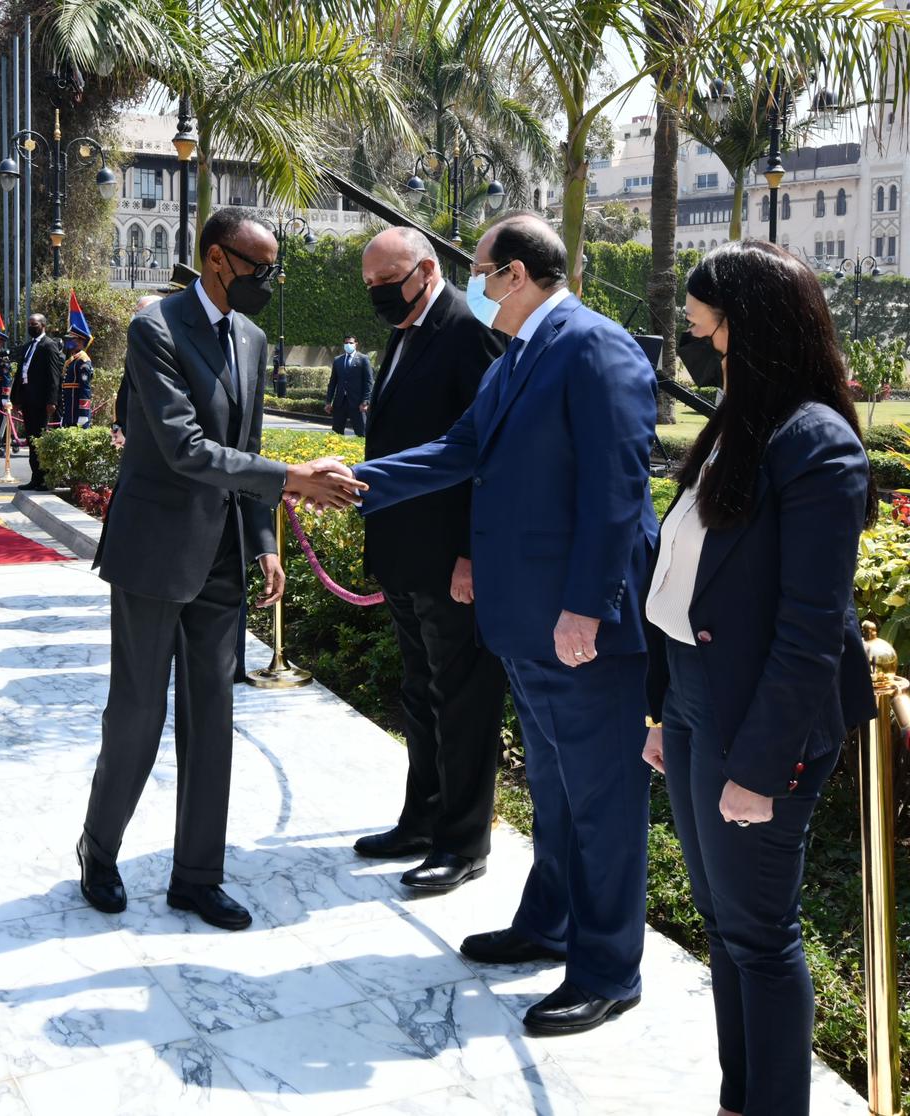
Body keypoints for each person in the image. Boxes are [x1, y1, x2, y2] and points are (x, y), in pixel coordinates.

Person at [352, 214, 658, 1035]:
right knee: (556, 792)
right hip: (526, 620)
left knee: (601, 801)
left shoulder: (594, 346)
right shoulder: (521, 353)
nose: (476, 286)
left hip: (580, 626)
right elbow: (460, 450)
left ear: (517, 273)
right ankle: (549, 923)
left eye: (482, 271)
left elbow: (618, 489)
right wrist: (353, 479)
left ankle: (608, 969)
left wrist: (587, 606)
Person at [79, 208, 364, 931]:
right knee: (138, 713)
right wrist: (294, 479)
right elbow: (185, 449)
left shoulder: (251, 337)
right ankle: (99, 849)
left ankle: (198, 877)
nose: (269, 280)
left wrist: (264, 541)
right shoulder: (155, 329)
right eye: (258, 267)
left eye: (274, 267)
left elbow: (246, 442)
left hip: (222, 558)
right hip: (154, 553)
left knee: (213, 717)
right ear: (215, 259)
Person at [642, 240, 876, 1116]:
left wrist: (761, 767)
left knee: (761, 934)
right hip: (696, 699)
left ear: (752, 327)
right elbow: (685, 580)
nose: (696, 342)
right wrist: (664, 713)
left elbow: (811, 630)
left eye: (704, 326)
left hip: (756, 718)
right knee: (724, 922)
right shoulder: (737, 427)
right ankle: (738, 1099)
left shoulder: (814, 442)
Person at [352, 228, 510, 895]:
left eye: (387, 282)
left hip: (451, 560)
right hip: (405, 553)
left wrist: (472, 552)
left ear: (424, 269)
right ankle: (421, 820)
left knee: (463, 700)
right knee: (421, 694)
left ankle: (463, 842)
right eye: (370, 286)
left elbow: (488, 453)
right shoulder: (408, 328)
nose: (378, 296)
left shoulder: (469, 328)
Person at [12, 313, 61, 489]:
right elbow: (21, 373)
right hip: (28, 399)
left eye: (34, 324)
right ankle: (36, 478)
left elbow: (54, 375)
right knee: (32, 439)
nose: (31, 327)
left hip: (42, 401)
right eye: (29, 324)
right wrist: (15, 399)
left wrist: (52, 401)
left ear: (43, 325)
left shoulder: (49, 345)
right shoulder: (28, 346)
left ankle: (45, 478)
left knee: (40, 439)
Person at [112, 294, 164, 449]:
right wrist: (119, 425)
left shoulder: (161, 350)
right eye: (136, 311)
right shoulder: (136, 345)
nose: (137, 316)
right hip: (131, 433)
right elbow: (127, 388)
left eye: (143, 311)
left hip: (149, 436)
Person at [324, 334, 373, 436]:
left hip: (358, 404)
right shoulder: (338, 360)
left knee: (361, 434)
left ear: (356, 344)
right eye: (346, 343)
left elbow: (368, 382)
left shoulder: (363, 359)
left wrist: (365, 402)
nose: (348, 345)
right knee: (336, 434)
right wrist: (328, 401)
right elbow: (332, 383)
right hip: (340, 403)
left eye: (351, 343)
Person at [59, 327, 95, 430]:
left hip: (77, 413)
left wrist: (83, 414)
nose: (69, 342)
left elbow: (85, 389)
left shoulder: (83, 361)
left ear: (80, 341)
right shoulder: (72, 360)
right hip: (69, 413)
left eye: (72, 339)